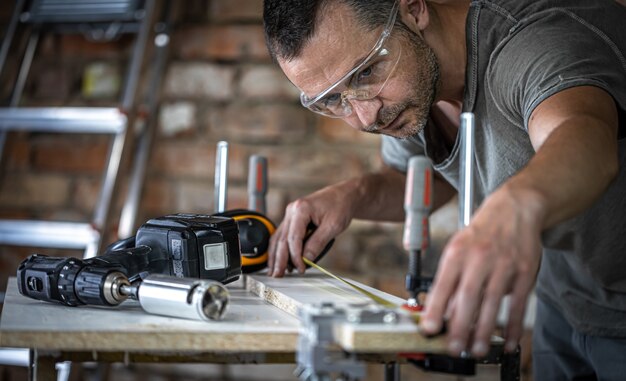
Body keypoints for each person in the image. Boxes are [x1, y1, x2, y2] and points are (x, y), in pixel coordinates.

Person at [263, 0, 626, 378]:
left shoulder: (533, 43)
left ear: (414, 10)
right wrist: (352, 195)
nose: (365, 117)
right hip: (566, 301)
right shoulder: (414, 89)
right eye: (334, 99)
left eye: (366, 72)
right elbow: (428, 181)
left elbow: (587, 139)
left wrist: (518, 205)